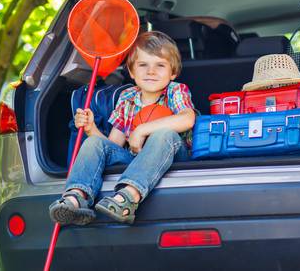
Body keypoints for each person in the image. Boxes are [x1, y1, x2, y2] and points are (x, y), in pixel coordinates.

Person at [49, 31, 196, 225]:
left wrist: (142, 130)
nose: (151, 71)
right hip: (134, 160)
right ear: (132, 71)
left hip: (173, 157)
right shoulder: (127, 97)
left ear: (173, 72)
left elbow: (188, 118)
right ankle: (77, 197)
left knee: (164, 134)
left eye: (160, 65)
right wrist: (91, 128)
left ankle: (128, 198)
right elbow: (112, 145)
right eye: (143, 65)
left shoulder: (176, 90)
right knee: (94, 142)